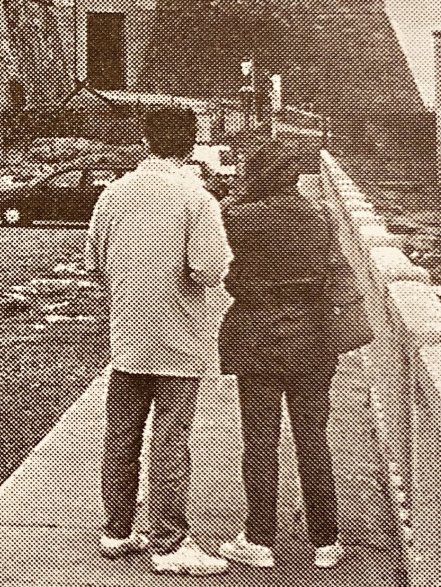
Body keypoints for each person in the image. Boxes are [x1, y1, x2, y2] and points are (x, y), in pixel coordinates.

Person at [85, 105, 233, 576]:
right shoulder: (197, 200)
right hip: (178, 341)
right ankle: (169, 542)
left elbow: (95, 266)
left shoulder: (112, 195)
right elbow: (211, 269)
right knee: (170, 439)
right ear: (190, 144)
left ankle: (117, 529)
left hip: (127, 337)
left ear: (146, 140)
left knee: (121, 436)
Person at [216, 139, 346, 569]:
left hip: (258, 333)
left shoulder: (237, 216)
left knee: (259, 441)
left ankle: (259, 539)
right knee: (313, 436)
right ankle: (326, 541)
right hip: (312, 334)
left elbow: (223, 270)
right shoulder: (321, 216)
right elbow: (334, 271)